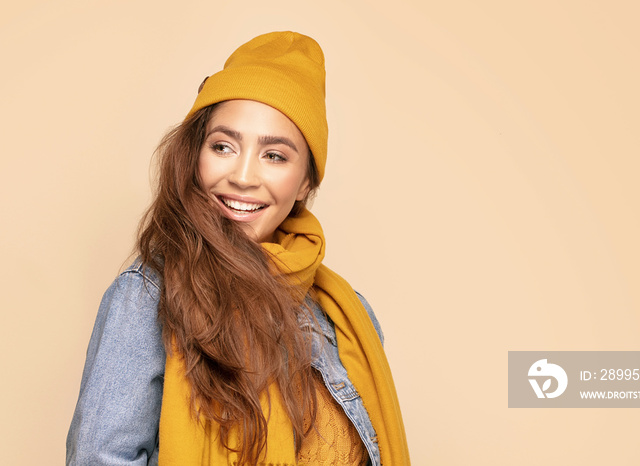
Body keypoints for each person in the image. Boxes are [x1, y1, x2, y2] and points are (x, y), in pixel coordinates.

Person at [66, 31, 410, 466]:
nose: (244, 176)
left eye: (275, 156)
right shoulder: (148, 297)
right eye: (224, 146)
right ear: (196, 155)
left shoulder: (345, 316)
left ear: (305, 182)